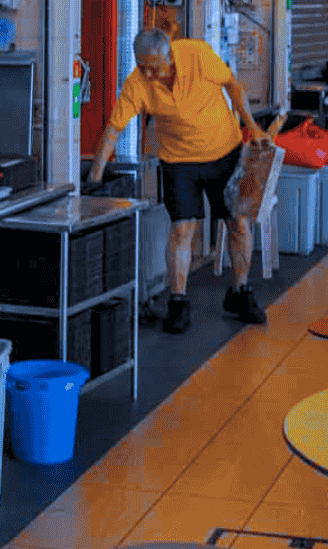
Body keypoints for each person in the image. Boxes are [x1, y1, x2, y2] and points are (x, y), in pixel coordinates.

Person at [88, 28, 270, 333]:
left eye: (154, 67)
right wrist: (93, 180)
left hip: (223, 150)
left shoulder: (198, 55)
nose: (149, 74)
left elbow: (233, 87)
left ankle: (240, 292)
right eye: (142, 66)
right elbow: (113, 130)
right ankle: (178, 301)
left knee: (237, 222)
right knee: (182, 229)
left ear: (170, 57)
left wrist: (252, 127)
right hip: (177, 160)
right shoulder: (138, 82)